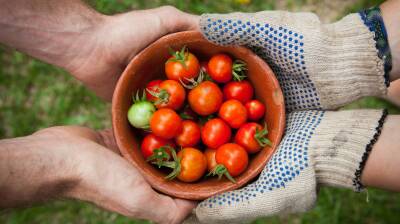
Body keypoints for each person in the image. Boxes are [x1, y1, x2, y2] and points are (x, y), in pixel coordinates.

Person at [0, 0, 399, 224]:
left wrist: (348, 51)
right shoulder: (186, 119)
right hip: (219, 132)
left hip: (222, 127)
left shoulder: (188, 106)